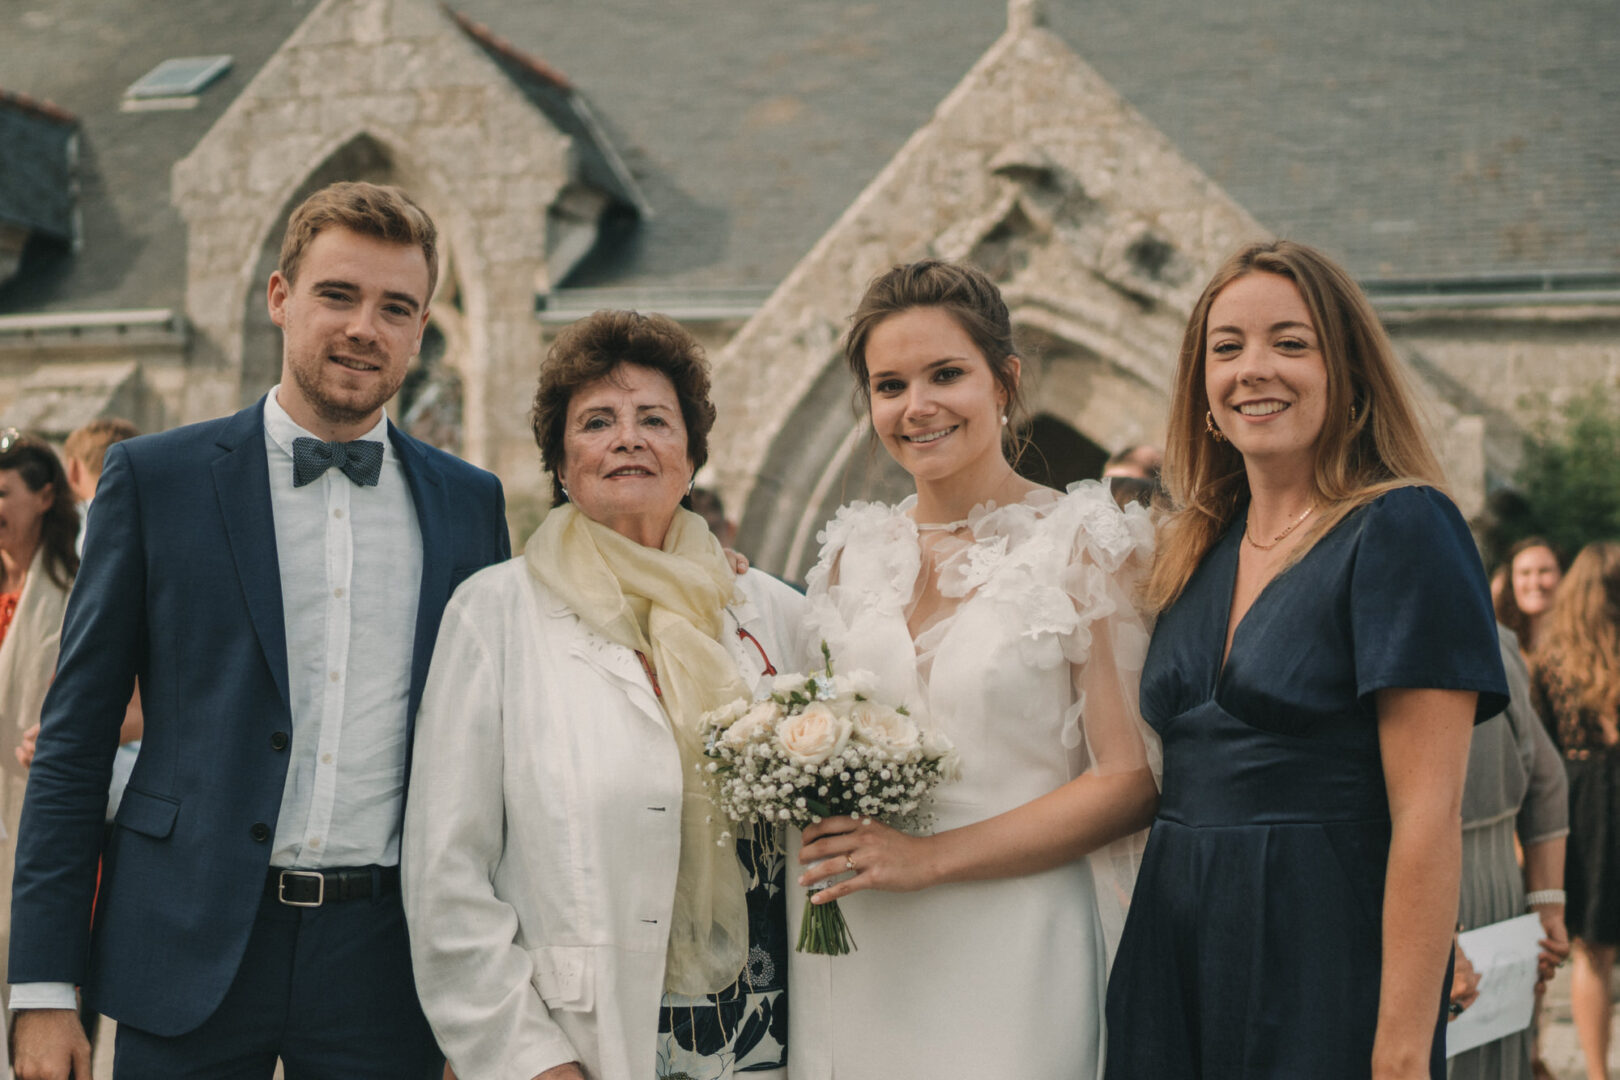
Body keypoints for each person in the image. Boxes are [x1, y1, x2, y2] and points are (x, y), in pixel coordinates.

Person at [8, 181, 511, 1079]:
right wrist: (44, 990)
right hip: (182, 942)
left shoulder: (470, 506)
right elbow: (76, 741)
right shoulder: (152, 481)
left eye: (396, 307)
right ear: (280, 298)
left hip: (385, 964)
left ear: (421, 329)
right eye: (338, 295)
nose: (365, 327)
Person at [1103, 239, 1508, 1080]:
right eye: (1228, 348)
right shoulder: (1191, 552)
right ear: (1201, 388)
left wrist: (1401, 1049)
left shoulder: (1404, 528)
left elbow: (1430, 819)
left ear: (1349, 373)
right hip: (1170, 954)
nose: (1255, 369)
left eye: (1291, 343)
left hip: (1325, 955)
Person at [402, 310, 807, 1080]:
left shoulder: (770, 614)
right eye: (597, 422)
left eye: (655, 419)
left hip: (769, 1034)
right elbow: (444, 873)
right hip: (581, 1041)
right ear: (561, 462)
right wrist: (524, 1057)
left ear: (691, 456)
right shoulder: (495, 613)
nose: (628, 437)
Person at [790, 259, 1160, 1080]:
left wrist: (929, 859)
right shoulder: (853, 553)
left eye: (945, 374)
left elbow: (1129, 779)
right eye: (890, 385)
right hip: (863, 944)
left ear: (1005, 381)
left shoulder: (1082, 543)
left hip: (1019, 941)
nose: (916, 406)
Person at [1449, 626, 1570, 1080]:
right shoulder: (1495, 637)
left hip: (1424, 881)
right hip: (1501, 885)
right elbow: (1549, 777)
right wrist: (1547, 905)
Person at [0, 431, 80, 1039]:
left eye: (2, 493)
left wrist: (63, 729)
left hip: (36, 812)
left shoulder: (78, 591)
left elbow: (137, 706)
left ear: (47, 496)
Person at [1530, 541, 1620, 1080]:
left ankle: (1595, 1071)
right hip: (1603, 790)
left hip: (1581, 801)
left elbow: (1542, 746)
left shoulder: (1553, 655)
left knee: (1592, 948)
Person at [1497, 536, 1564, 657]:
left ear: (1562, 576)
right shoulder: (1498, 642)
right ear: (1511, 581)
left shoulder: (1579, 644)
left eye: (1544, 571)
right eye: (1525, 573)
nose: (1535, 583)